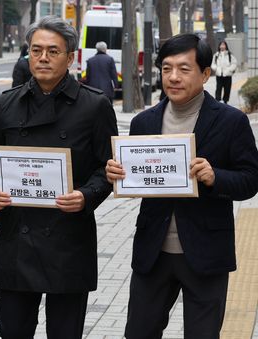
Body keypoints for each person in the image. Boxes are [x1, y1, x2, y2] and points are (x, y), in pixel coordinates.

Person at [105, 33, 258, 339]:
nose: (173, 77)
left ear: (205, 73)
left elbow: (250, 180)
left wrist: (216, 177)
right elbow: (137, 179)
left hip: (206, 251)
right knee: (138, 332)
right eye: (166, 69)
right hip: (153, 251)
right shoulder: (143, 123)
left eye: (184, 69)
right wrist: (117, 174)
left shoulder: (230, 122)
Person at [0, 16, 118, 339]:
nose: (43, 58)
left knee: (65, 332)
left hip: (68, 238)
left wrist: (86, 196)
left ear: (70, 58)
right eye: (36, 50)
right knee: (13, 330)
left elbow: (108, 169)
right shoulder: (7, 102)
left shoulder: (94, 105)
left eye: (53, 51)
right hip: (17, 236)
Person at [211, 40, 237, 104]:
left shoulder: (230, 55)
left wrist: (229, 70)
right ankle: (217, 101)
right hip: (219, 75)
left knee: (227, 89)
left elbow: (234, 63)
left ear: (226, 46)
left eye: (223, 45)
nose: (222, 46)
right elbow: (213, 64)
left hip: (227, 75)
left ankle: (225, 101)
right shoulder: (216, 55)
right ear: (219, 46)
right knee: (218, 88)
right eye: (221, 45)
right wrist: (216, 69)